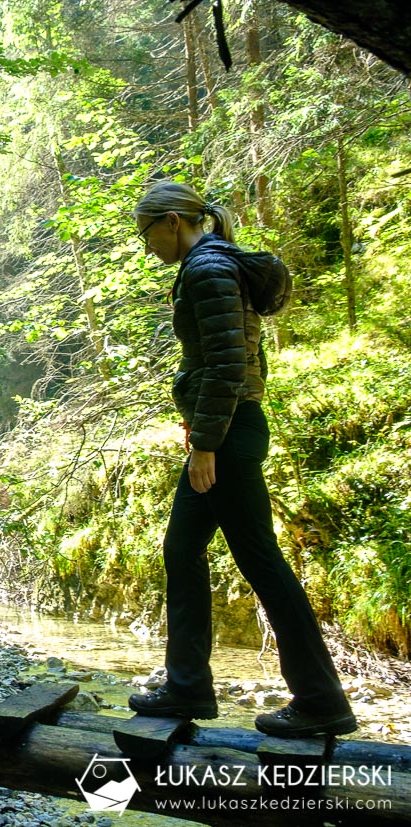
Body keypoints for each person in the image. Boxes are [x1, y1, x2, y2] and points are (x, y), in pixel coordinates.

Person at [129, 181, 355, 737]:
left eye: (147, 231)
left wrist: (207, 443)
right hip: (229, 428)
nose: (146, 244)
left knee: (259, 559)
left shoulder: (207, 270)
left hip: (226, 434)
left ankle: (322, 701)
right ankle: (188, 686)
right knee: (183, 548)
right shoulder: (208, 266)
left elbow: (230, 365)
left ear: (175, 221)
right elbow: (241, 360)